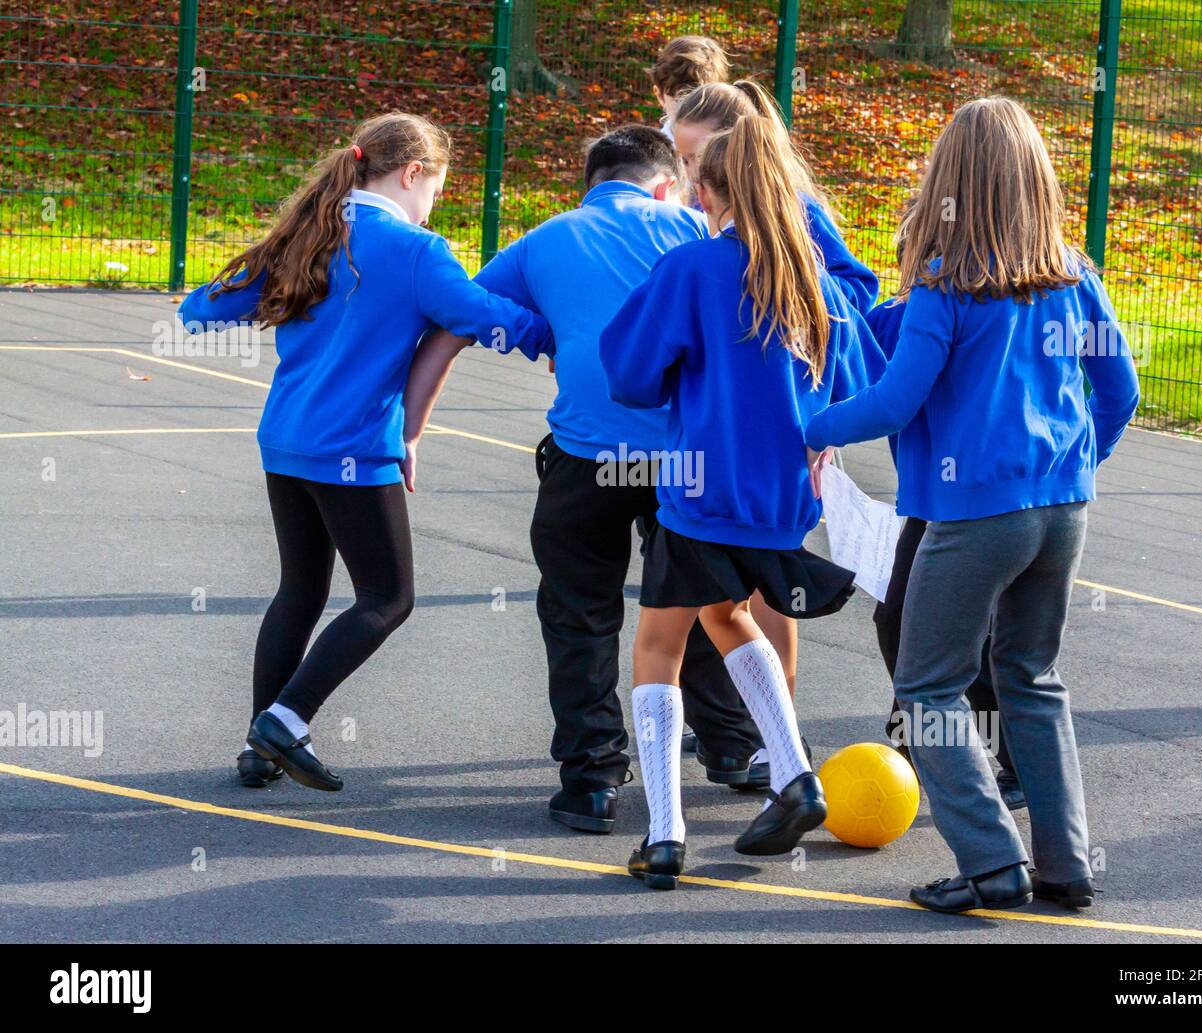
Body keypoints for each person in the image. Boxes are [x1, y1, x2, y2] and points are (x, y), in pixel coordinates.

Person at [804, 97, 1140, 913]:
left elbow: (893, 401)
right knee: (1031, 677)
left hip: (975, 513)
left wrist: (812, 426)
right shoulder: (1072, 274)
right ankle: (1066, 864)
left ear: (949, 178)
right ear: (1036, 179)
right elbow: (1119, 390)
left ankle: (992, 860)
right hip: (1062, 509)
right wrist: (1070, 460)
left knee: (928, 689)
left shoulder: (944, 282)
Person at [178, 112, 551, 792]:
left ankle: (259, 744)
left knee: (301, 588)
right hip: (353, 448)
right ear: (412, 174)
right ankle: (287, 718)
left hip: (285, 440)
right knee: (388, 596)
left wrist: (232, 304)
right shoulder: (416, 251)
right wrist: (551, 334)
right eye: (435, 187)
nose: (434, 202)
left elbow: (202, 312)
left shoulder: (310, 234)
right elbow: (479, 315)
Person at [437, 125, 766, 834]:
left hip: (588, 458)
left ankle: (591, 777)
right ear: (663, 184)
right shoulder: (691, 229)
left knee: (578, 609)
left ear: (589, 185)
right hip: (683, 454)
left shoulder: (549, 238)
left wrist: (539, 330)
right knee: (704, 597)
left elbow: (464, 309)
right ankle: (733, 744)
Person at [600, 114, 878, 890]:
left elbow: (630, 371)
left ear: (711, 191)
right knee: (729, 613)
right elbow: (857, 385)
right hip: (781, 496)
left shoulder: (694, 269)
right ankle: (793, 774)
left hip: (701, 489)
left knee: (659, 646)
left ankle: (664, 832)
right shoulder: (813, 279)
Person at [869, 296, 1024, 811]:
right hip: (933, 498)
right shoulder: (891, 316)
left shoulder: (978, 306)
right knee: (907, 624)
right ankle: (917, 745)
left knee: (937, 632)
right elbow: (852, 375)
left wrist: (817, 432)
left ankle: (1000, 764)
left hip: (969, 501)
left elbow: (890, 403)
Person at [670, 79, 879, 317]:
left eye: (699, 156)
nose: (692, 171)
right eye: (685, 160)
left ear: (739, 144)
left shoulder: (794, 208)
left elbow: (859, 287)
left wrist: (791, 293)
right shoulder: (694, 205)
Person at [650, 35, 730, 143]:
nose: (690, 111)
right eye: (680, 100)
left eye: (701, 100)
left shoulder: (732, 149)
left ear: (719, 95)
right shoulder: (653, 155)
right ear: (659, 95)